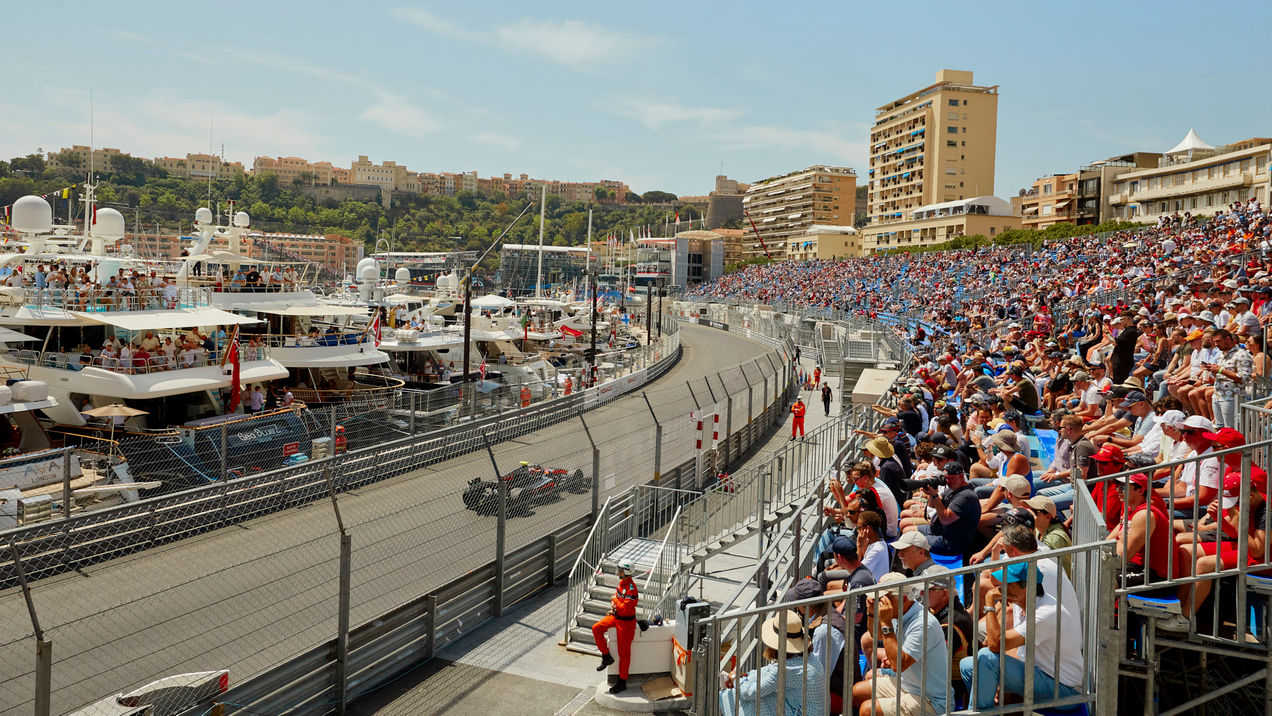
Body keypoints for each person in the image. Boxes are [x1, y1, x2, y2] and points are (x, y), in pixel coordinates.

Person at [960, 561, 1084, 710]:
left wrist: (989, 602)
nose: (1001, 588)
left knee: (986, 658)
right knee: (967, 665)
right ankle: (983, 709)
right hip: (1041, 676)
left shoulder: (1046, 613)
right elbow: (1000, 644)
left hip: (1064, 692)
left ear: (1028, 586)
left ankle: (978, 712)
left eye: (1008, 583)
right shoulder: (1024, 605)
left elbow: (994, 644)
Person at [852, 572, 949, 716]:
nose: (878, 601)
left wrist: (885, 623)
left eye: (883, 598)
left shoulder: (924, 624)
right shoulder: (898, 611)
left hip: (930, 699)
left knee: (868, 709)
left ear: (903, 599)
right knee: (856, 692)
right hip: (907, 684)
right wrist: (871, 613)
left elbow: (899, 665)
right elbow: (876, 635)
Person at [720, 609, 826, 716]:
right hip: (815, 710)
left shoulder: (784, 669)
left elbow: (751, 693)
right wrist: (746, 677)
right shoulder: (808, 657)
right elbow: (768, 672)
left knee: (754, 700)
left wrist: (735, 679)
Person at [911, 462, 982, 558]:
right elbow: (932, 505)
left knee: (911, 542)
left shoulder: (966, 496)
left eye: (950, 478)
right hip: (941, 531)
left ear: (961, 476)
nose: (947, 481)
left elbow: (945, 520)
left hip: (952, 542)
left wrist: (935, 495)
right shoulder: (952, 489)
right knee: (907, 530)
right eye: (946, 478)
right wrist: (933, 490)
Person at [593, 558, 639, 694]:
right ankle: (606, 656)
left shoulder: (631, 589)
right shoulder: (622, 583)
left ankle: (622, 681)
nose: (618, 571)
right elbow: (620, 603)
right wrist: (614, 605)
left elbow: (624, 608)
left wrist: (614, 600)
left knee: (624, 654)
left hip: (626, 623)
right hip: (616, 617)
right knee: (596, 628)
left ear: (626, 571)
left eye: (620, 569)